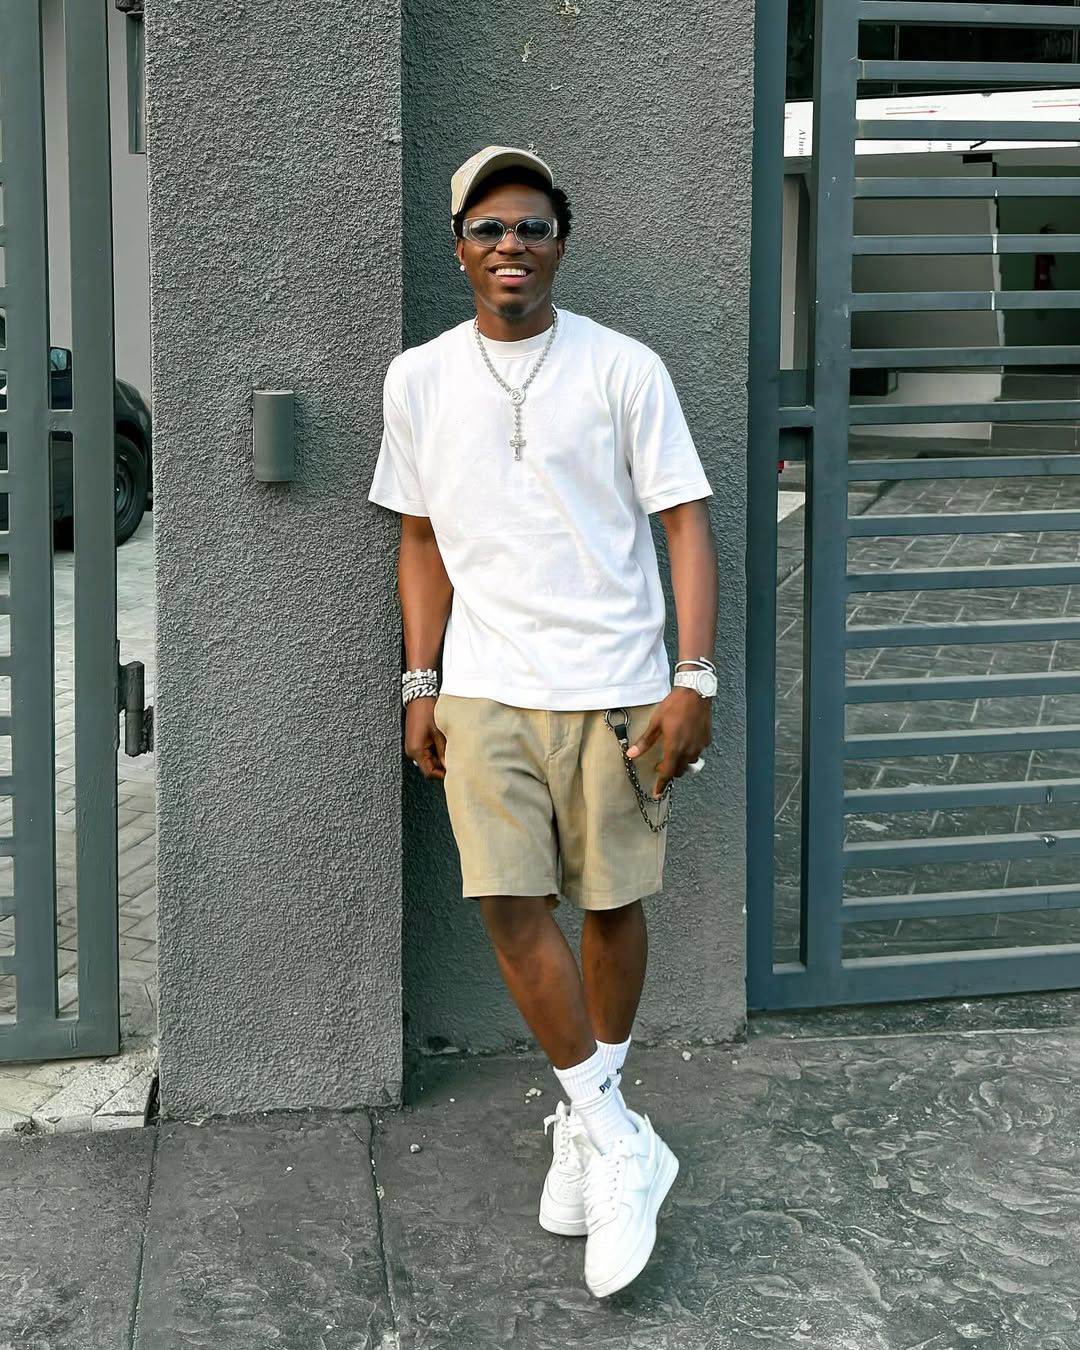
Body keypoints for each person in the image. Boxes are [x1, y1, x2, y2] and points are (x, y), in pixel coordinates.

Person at [368, 145, 718, 1299]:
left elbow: (684, 521)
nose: (509, 244)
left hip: (617, 684)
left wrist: (693, 678)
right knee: (508, 905)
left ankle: (586, 1125)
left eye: (531, 225)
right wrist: (419, 682)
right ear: (458, 247)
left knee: (611, 904)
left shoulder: (624, 368)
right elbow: (421, 538)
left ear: (561, 241)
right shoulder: (419, 379)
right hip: (483, 688)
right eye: (488, 227)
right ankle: (618, 1135)